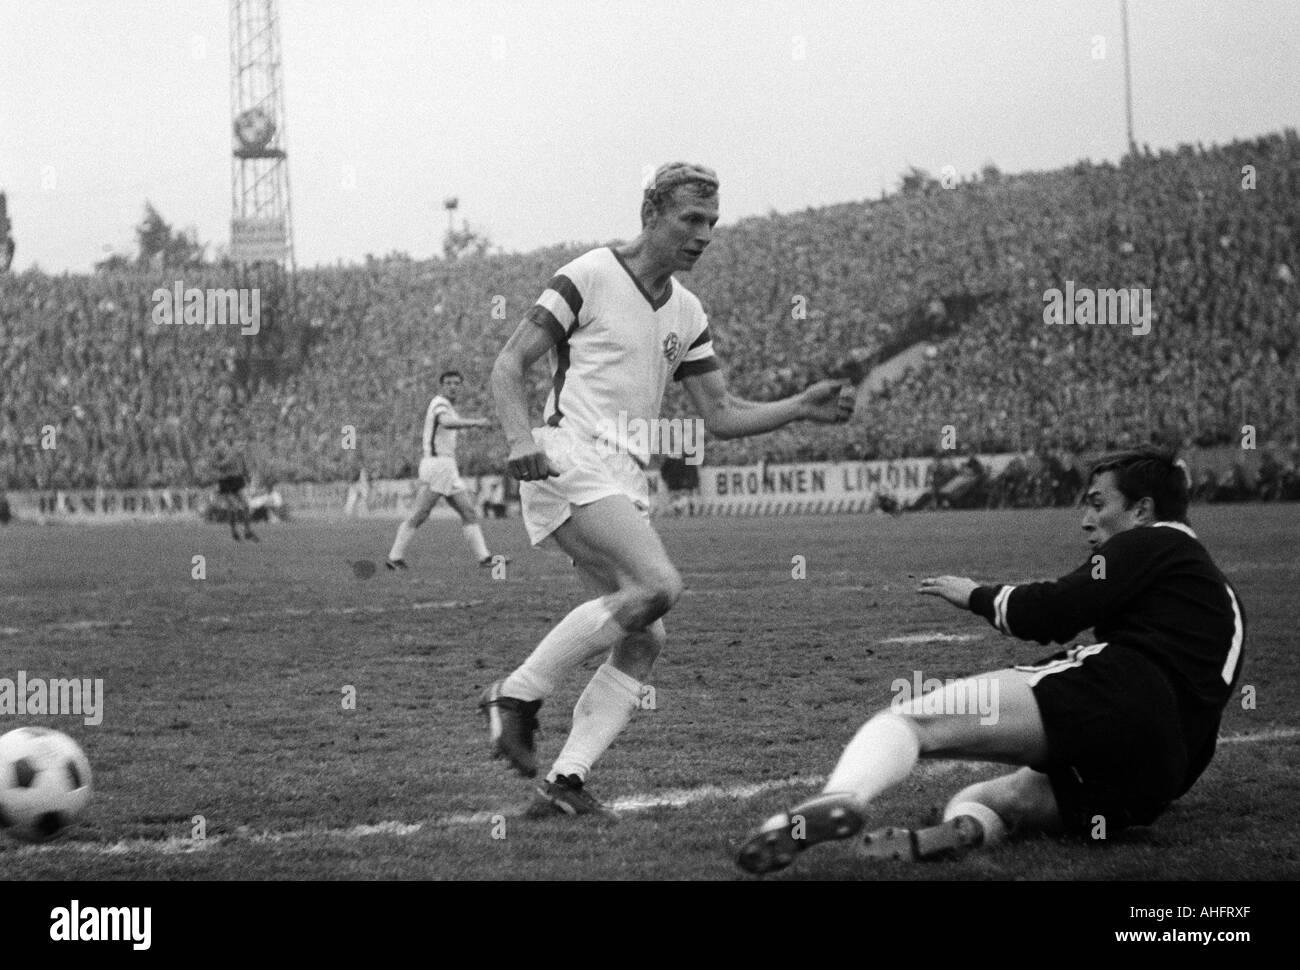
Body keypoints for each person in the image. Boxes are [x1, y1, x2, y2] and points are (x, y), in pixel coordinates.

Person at [482, 162, 854, 817]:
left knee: (646, 636)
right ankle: (516, 693)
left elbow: (721, 412)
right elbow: (509, 364)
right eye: (691, 219)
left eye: (712, 221)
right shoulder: (589, 274)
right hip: (567, 456)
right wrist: (519, 438)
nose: (704, 234)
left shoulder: (688, 309)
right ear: (652, 212)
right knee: (659, 586)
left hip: (622, 478)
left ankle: (563, 784)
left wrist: (798, 406)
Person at [736, 447, 1246, 874]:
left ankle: (841, 796)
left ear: (1141, 510)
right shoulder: (1219, 595)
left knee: (910, 723)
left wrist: (977, 595)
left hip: (1121, 693)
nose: (1086, 520)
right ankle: (962, 832)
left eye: (1097, 503)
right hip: (1159, 775)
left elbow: (1053, 611)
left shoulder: (1155, 539)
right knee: (999, 799)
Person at [385, 370, 505, 570]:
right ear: (441, 386)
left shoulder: (448, 407)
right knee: (421, 513)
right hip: (437, 466)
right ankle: (394, 557)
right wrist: (475, 422)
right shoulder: (439, 403)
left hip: (447, 467)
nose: (453, 386)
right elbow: (446, 423)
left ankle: (485, 558)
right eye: (449, 383)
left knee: (468, 512)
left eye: (457, 383)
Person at [211, 422, 257, 542]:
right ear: (224, 433)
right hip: (226, 480)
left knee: (246, 504)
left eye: (232, 432)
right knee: (233, 508)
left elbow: (243, 461)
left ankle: (247, 531)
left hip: (237, 478)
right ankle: (234, 531)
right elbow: (215, 464)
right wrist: (228, 459)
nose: (230, 434)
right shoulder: (219, 447)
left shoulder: (238, 446)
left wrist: (247, 474)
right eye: (228, 432)